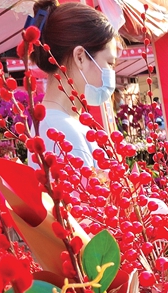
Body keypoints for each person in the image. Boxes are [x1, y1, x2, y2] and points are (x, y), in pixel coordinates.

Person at [30, 0, 118, 169]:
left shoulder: (57, 124)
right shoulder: (62, 132)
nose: (112, 72)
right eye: (109, 63)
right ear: (80, 57)